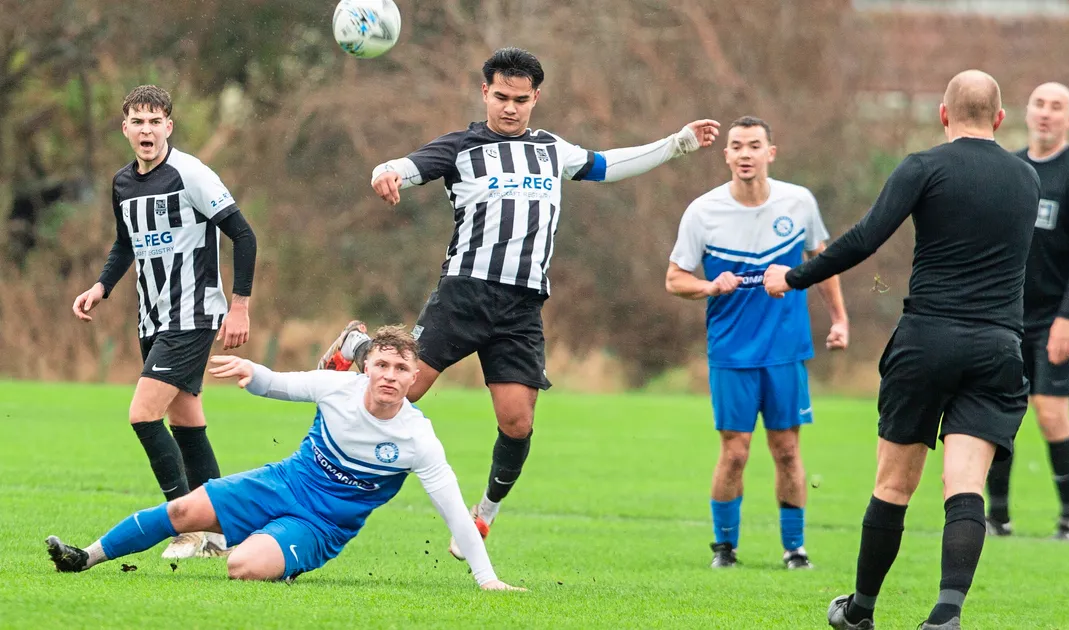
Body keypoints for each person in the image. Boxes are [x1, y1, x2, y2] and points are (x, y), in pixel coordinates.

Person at [315, 47, 720, 559]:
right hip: (465, 293)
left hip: (522, 306)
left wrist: (679, 143)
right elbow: (409, 164)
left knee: (517, 422)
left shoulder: (552, 150)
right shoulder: (461, 146)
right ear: (485, 92)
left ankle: (482, 517)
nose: (510, 107)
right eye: (501, 97)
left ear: (536, 99)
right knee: (402, 393)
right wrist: (385, 171)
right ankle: (357, 349)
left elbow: (605, 164)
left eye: (520, 99)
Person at [763, 70, 1040, 629]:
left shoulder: (924, 167)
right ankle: (946, 614)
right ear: (1001, 119)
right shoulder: (1027, 178)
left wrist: (793, 278)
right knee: (964, 485)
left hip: (928, 341)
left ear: (943, 114)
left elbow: (866, 238)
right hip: (997, 347)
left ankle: (861, 611)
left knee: (894, 483)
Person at [45, 325, 523, 590]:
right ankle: (83, 558)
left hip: (320, 526)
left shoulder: (419, 440)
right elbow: (276, 383)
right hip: (283, 482)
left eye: (401, 369)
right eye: (381, 364)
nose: (390, 376)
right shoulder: (338, 387)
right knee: (183, 510)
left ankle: (276, 551)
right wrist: (250, 369)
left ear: (414, 376)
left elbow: (456, 514)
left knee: (242, 567)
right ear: (368, 367)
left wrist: (488, 580)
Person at [70, 85, 257, 559]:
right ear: (125, 128)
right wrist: (100, 287)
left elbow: (243, 234)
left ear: (169, 126)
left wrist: (240, 306)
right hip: (151, 317)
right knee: (186, 420)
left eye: (156, 121)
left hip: (193, 314)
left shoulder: (191, 174)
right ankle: (220, 528)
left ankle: (186, 525)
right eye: (138, 121)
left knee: (142, 414)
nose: (147, 130)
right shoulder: (122, 183)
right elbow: (125, 244)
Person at [665, 116, 849, 570]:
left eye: (754, 145)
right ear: (725, 155)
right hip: (731, 351)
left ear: (771, 152)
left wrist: (840, 319)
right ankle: (724, 548)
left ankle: (795, 549)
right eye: (736, 146)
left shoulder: (798, 202)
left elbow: (822, 262)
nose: (745, 154)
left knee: (787, 450)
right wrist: (710, 287)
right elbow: (674, 279)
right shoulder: (703, 211)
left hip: (786, 349)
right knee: (735, 452)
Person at [985, 82, 1069, 543]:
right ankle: (997, 517)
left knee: (1051, 411)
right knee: (999, 410)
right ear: (1025, 112)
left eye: (1057, 107)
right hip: (1008, 313)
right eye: (1039, 104)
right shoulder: (1011, 169)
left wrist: (1068, 318)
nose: (1046, 113)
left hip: (1061, 315)